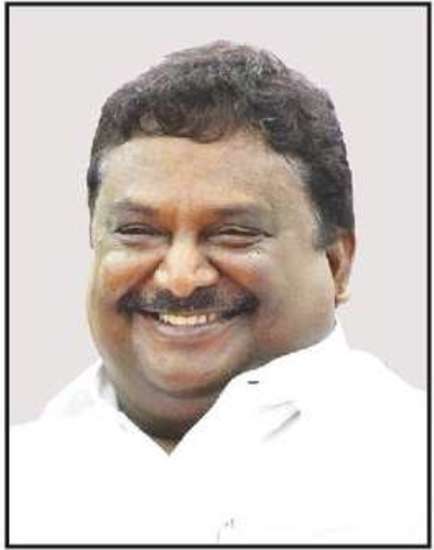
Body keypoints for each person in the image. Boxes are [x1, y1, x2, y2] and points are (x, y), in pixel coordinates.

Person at [10, 41, 426, 544]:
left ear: (337, 264)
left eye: (234, 234)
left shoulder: (412, 469)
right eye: (138, 232)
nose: (180, 277)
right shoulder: (23, 478)